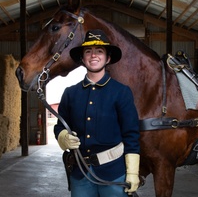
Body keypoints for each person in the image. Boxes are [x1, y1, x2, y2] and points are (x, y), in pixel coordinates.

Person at [54, 29, 140, 197]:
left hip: (113, 173)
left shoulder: (121, 92)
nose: (93, 55)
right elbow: (59, 126)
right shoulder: (70, 93)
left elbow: (131, 134)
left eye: (99, 51)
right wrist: (63, 137)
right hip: (80, 173)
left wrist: (133, 172)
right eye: (88, 51)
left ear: (107, 58)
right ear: (82, 58)